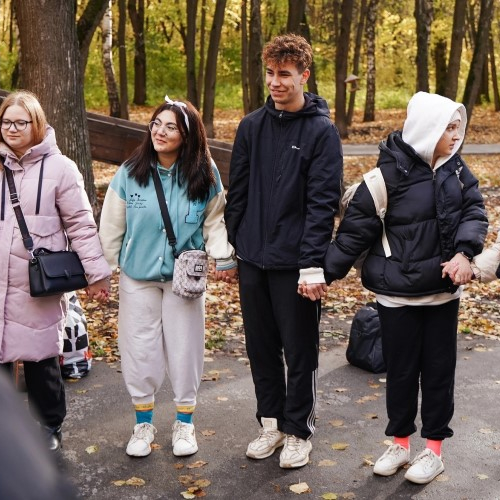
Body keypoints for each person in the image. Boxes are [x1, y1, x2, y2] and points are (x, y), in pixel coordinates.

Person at [315, 91, 488, 484]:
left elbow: (474, 211)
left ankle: (434, 451)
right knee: (401, 373)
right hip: (395, 296)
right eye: (448, 128)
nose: (456, 135)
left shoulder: (456, 170)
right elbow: (352, 236)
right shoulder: (384, 177)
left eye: (457, 127)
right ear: (427, 129)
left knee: (439, 373)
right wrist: (320, 276)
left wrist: (465, 254)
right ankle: (399, 443)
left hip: (443, 294)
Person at [224, 34, 343, 469]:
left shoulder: (321, 131)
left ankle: (298, 431)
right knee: (260, 347)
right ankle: (271, 424)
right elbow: (238, 191)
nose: (276, 82)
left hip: (296, 264)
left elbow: (323, 203)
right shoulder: (251, 126)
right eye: (271, 73)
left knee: (300, 350)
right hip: (253, 259)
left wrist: (312, 264)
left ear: (304, 76)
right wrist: (234, 245)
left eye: (285, 74)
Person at [99, 96, 237, 459]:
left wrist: (224, 257)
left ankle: (184, 423)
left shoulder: (204, 172)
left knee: (185, 347)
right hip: (138, 275)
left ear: (187, 135)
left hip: (184, 277)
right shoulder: (130, 171)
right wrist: (103, 270)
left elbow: (215, 220)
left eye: (170, 126)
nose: (160, 132)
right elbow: (111, 223)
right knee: (139, 347)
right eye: (156, 124)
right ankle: (143, 423)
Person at [0, 90, 111, 452]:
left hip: (37, 284)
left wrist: (96, 274)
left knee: (40, 360)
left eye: (20, 122)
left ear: (37, 124)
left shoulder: (61, 168)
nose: (12, 128)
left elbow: (81, 224)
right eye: (6, 122)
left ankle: (49, 425)